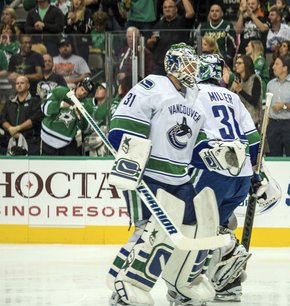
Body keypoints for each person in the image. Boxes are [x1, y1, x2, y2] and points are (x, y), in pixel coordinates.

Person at [106, 43, 224, 306]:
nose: (193, 69)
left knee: (193, 230)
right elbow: (122, 127)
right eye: (188, 63)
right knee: (150, 229)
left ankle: (180, 286)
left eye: (194, 63)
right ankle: (123, 282)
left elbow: (199, 146)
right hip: (150, 174)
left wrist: (220, 153)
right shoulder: (153, 86)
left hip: (180, 178)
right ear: (172, 65)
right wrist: (132, 162)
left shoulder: (195, 98)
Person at [192, 53, 260, 302]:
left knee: (195, 228)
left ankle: (192, 281)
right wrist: (255, 173)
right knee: (217, 227)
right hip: (241, 175)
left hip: (213, 171)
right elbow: (254, 141)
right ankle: (228, 284)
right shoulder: (232, 96)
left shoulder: (193, 94)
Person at [40, 77, 95, 155]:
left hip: (66, 141)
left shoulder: (86, 105)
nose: (82, 93)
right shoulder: (60, 91)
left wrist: (82, 117)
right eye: (82, 89)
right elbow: (44, 108)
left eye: (85, 93)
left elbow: (86, 129)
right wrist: (60, 104)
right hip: (48, 135)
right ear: (78, 85)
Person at [266, 55, 290, 156]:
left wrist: (284, 106)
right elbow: (267, 106)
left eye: (276, 64)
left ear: (285, 68)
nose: (273, 67)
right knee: (274, 158)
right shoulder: (270, 84)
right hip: (273, 125)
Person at [146, 0, 195, 76]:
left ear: (176, 9)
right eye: (165, 7)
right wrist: (150, 42)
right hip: (160, 65)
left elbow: (190, 13)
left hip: (178, 64)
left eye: (170, 7)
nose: (167, 9)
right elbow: (151, 46)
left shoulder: (183, 22)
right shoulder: (158, 25)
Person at [1, 75, 43, 155]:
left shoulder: (35, 102)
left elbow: (35, 119)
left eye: (22, 83)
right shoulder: (9, 103)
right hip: (10, 140)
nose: (19, 85)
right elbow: (2, 119)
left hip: (30, 142)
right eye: (17, 83)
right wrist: (10, 129)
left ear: (28, 85)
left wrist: (18, 128)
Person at [228, 54, 263, 127]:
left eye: (239, 63)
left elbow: (255, 101)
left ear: (247, 65)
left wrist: (240, 91)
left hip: (251, 119)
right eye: (236, 63)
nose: (236, 65)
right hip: (237, 119)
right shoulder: (237, 80)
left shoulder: (255, 79)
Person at [199, 3, 236, 67]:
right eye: (212, 11)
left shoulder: (228, 25)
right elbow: (199, 44)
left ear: (222, 13)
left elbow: (233, 44)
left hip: (224, 61)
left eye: (217, 11)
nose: (214, 13)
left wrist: (228, 58)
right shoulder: (204, 26)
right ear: (209, 13)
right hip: (207, 61)